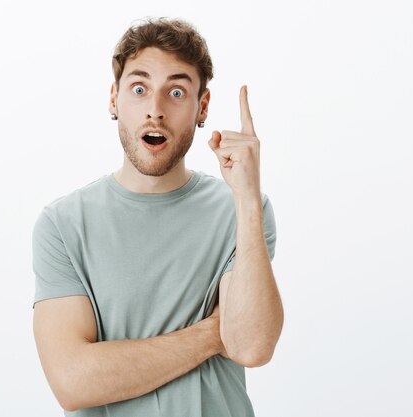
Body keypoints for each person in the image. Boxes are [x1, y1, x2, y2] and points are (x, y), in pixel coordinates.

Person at [31, 17, 284, 416]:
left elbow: (252, 344)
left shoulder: (242, 210)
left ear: (202, 107)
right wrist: (216, 332)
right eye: (139, 88)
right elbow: (73, 381)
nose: (155, 110)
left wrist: (247, 197)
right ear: (114, 99)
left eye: (177, 92)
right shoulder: (62, 224)